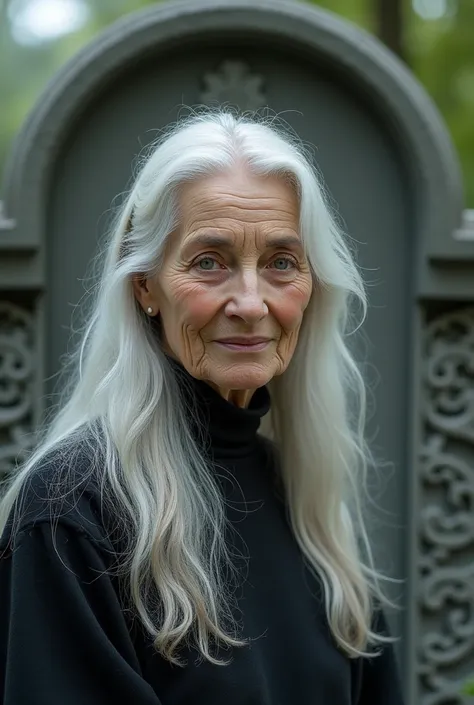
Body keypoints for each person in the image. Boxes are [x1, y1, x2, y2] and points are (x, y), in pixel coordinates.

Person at [0, 111, 404, 704]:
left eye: (281, 263)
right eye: (209, 262)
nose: (249, 301)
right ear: (145, 286)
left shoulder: (310, 507)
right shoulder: (71, 513)